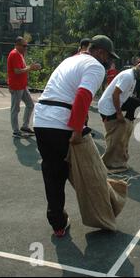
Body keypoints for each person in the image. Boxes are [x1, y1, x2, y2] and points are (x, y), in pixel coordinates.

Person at [33, 35, 119, 237]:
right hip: (62, 123)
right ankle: (103, 213)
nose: (107, 61)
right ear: (99, 52)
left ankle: (58, 224)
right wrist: (77, 130)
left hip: (41, 121)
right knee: (91, 173)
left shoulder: (70, 60)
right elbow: (82, 96)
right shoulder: (95, 66)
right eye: (107, 56)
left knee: (53, 173)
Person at [98, 60, 140, 173]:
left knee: (137, 103)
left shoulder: (133, 77)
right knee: (116, 135)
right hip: (108, 107)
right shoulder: (128, 76)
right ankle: (109, 162)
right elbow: (115, 94)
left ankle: (128, 120)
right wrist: (118, 114)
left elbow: (126, 96)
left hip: (118, 102)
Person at [7, 36, 41, 138]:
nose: (26, 47)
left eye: (27, 45)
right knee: (15, 109)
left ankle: (25, 127)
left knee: (30, 104)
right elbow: (17, 71)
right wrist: (30, 68)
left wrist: (31, 68)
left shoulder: (20, 54)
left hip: (22, 86)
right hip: (16, 86)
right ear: (17, 45)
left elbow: (23, 68)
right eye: (24, 45)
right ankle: (16, 131)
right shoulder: (14, 54)